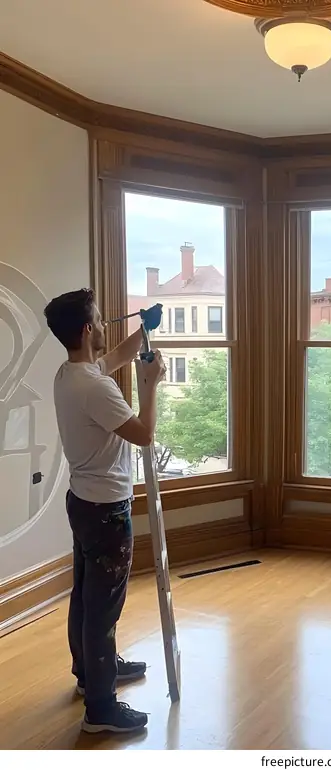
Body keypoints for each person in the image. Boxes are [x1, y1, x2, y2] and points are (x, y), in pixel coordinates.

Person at [44, 288, 166, 733]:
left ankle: (90, 673)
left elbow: (111, 357)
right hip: (107, 511)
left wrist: (143, 331)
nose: (103, 324)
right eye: (98, 319)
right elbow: (144, 434)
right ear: (86, 329)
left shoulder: (70, 373)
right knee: (103, 609)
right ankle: (101, 707)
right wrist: (151, 385)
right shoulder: (94, 387)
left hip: (84, 502)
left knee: (87, 595)